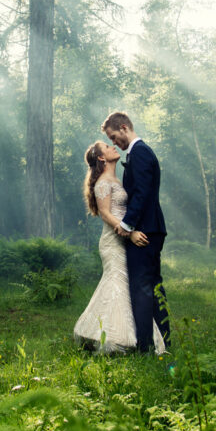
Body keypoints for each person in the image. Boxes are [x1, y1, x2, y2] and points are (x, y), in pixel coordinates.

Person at [73, 141, 166, 353]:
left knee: (126, 285)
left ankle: (132, 336)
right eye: (107, 146)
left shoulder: (116, 179)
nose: (113, 146)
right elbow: (106, 214)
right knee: (117, 283)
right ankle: (113, 337)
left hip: (123, 239)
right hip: (113, 241)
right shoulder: (104, 182)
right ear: (102, 158)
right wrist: (130, 233)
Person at [101, 111, 170, 353]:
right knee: (153, 286)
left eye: (113, 136)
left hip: (145, 231)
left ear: (123, 128)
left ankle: (145, 347)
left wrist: (127, 226)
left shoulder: (139, 152)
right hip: (152, 228)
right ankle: (163, 341)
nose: (114, 142)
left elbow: (140, 193)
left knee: (141, 288)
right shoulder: (140, 152)